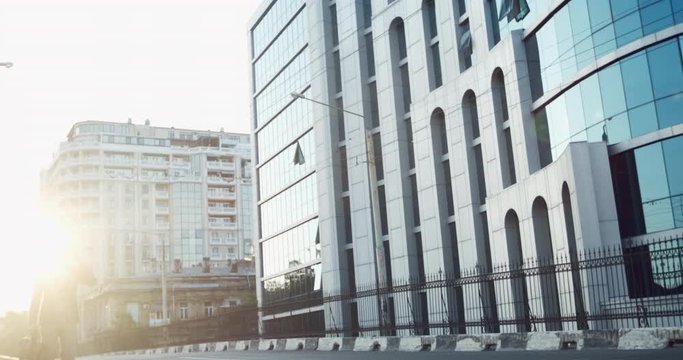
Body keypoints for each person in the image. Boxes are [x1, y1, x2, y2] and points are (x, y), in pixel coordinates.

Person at [29, 261, 94, 360]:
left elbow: (91, 281)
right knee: (48, 355)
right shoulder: (45, 269)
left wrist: (78, 261)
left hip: (69, 319)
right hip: (49, 319)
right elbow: (36, 296)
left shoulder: (74, 268)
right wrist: (32, 322)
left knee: (69, 356)